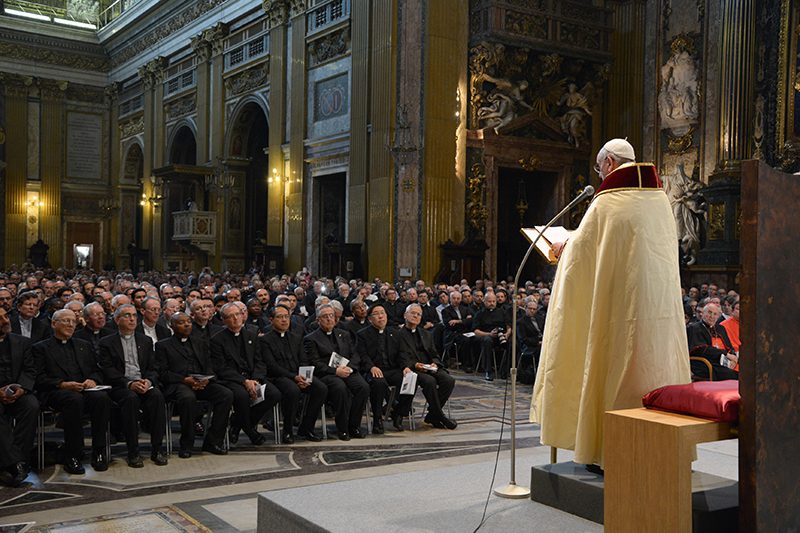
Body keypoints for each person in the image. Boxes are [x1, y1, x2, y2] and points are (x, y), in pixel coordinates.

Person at [531, 138, 691, 469]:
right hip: (656, 315)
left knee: (613, 369)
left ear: (609, 164)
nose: (600, 174)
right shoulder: (660, 200)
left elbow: (583, 252)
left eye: (599, 167)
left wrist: (563, 248)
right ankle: (659, 451)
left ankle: (605, 451)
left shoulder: (609, 200)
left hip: (618, 313)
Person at [34, 309, 111, 474]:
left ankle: (99, 450)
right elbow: (39, 378)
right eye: (65, 321)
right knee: (74, 400)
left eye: (73, 321)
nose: (70, 324)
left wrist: (93, 380)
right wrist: (63, 384)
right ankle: (73, 454)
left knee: (101, 398)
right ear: (54, 324)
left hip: (83, 389)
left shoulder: (83, 345)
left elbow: (96, 370)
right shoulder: (41, 348)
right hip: (55, 392)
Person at [98, 304, 167, 467]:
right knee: (130, 400)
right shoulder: (107, 342)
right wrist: (129, 384)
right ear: (116, 320)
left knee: (157, 396)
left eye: (134, 316)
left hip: (143, 383)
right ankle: (133, 451)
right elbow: (107, 370)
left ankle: (157, 449)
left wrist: (148, 381)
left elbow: (153, 368)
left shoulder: (146, 340)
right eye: (127, 316)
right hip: (120, 386)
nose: (131, 319)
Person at [156, 313, 233, 458]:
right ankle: (186, 444)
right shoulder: (163, 345)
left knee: (226, 394)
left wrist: (206, 379)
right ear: (172, 326)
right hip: (179, 384)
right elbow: (163, 373)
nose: (186, 325)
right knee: (187, 398)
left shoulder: (200, 342)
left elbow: (209, 366)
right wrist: (185, 380)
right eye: (181, 322)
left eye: (188, 322)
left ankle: (213, 441)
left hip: (201, 382)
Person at [210, 303, 280, 445]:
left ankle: (236, 423)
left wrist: (255, 379)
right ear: (223, 320)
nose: (235, 318)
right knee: (241, 396)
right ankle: (250, 431)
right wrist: (244, 381)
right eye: (230, 316)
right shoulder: (217, 340)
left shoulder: (251, 335)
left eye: (238, 314)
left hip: (253, 377)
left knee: (273, 394)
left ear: (243, 316)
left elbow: (259, 361)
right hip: (232, 380)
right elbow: (222, 368)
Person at [261, 305, 327, 443]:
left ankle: (306, 427)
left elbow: (303, 359)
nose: (284, 320)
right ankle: (288, 430)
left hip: (298, 375)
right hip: (278, 377)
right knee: (293, 391)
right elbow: (272, 366)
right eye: (280, 317)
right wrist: (294, 377)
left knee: (320, 388)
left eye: (286, 316)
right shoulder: (265, 340)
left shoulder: (296, 337)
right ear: (271, 320)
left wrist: (304, 376)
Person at [304, 303, 369, 440]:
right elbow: (315, 363)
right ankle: (343, 428)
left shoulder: (344, 334)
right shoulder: (311, 338)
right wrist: (335, 371)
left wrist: (350, 368)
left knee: (363, 387)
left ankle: (354, 426)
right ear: (318, 320)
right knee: (340, 388)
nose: (329, 319)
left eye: (331, 316)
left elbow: (354, 354)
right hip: (327, 374)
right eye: (325, 317)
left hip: (347, 370)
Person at [395, 304, 457, 430]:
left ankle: (433, 415)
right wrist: (415, 365)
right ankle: (439, 415)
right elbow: (398, 356)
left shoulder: (426, 334)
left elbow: (434, 353)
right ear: (405, 315)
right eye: (412, 313)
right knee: (429, 381)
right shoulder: (397, 335)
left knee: (448, 380)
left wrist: (435, 363)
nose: (415, 316)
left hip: (429, 367)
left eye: (418, 314)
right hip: (412, 368)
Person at [0, 307, 39, 487]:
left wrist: (22, 388)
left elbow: (30, 369)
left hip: (18, 390)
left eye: (6, 316)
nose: (5, 321)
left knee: (31, 406)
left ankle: (16, 460)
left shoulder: (22, 342)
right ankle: (16, 463)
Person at [356, 304, 405, 433]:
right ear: (370, 319)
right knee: (378, 382)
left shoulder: (395, 333)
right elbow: (362, 355)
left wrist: (405, 367)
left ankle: (398, 413)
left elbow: (401, 353)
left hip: (391, 369)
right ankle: (377, 418)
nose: (381, 316)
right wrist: (371, 367)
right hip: (372, 370)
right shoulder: (362, 334)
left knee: (408, 379)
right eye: (376, 314)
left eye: (382, 313)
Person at [687, 302, 738, 380]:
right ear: (703, 313)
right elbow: (701, 349)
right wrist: (725, 354)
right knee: (733, 374)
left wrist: (733, 358)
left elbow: (730, 347)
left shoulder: (720, 328)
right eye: (709, 312)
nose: (712, 316)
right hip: (706, 362)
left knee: (745, 369)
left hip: (724, 361)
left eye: (715, 314)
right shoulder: (694, 328)